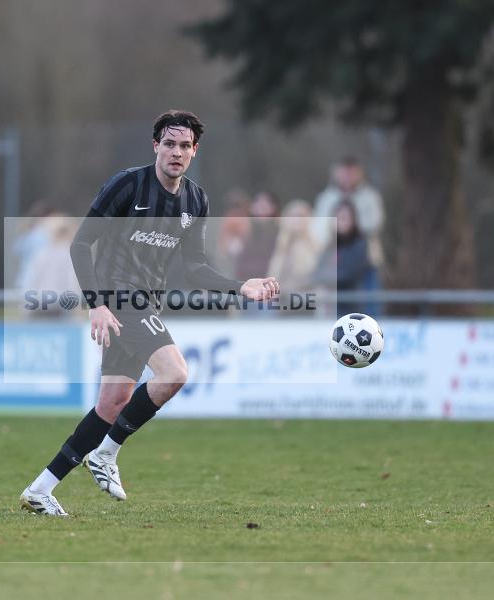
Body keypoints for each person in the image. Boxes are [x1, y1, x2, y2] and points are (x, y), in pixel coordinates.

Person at [20, 110, 280, 516]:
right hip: (121, 300)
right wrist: (97, 304)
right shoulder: (128, 185)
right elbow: (81, 244)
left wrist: (240, 287)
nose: (177, 152)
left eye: (185, 146)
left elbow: (195, 268)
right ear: (156, 145)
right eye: (169, 143)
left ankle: (40, 489)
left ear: (195, 151)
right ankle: (106, 454)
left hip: (146, 302)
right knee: (175, 373)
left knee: (112, 404)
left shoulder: (196, 200)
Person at [312, 157, 385, 305]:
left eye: (352, 173)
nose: (347, 177)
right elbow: (319, 227)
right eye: (344, 172)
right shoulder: (326, 198)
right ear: (336, 173)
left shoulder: (370, 197)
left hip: (366, 261)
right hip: (334, 261)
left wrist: (349, 226)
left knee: (368, 305)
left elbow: (375, 223)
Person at [312, 200, 374, 316]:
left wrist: (325, 279)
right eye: (337, 218)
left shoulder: (359, 243)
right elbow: (316, 272)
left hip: (350, 305)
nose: (340, 222)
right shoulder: (330, 245)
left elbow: (349, 274)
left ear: (353, 220)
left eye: (344, 218)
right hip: (329, 305)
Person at [267, 199, 321, 313]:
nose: (296, 220)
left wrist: (286, 288)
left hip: (306, 303)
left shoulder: (315, 246)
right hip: (283, 304)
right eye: (292, 216)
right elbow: (273, 275)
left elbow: (313, 277)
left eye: (301, 216)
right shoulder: (281, 246)